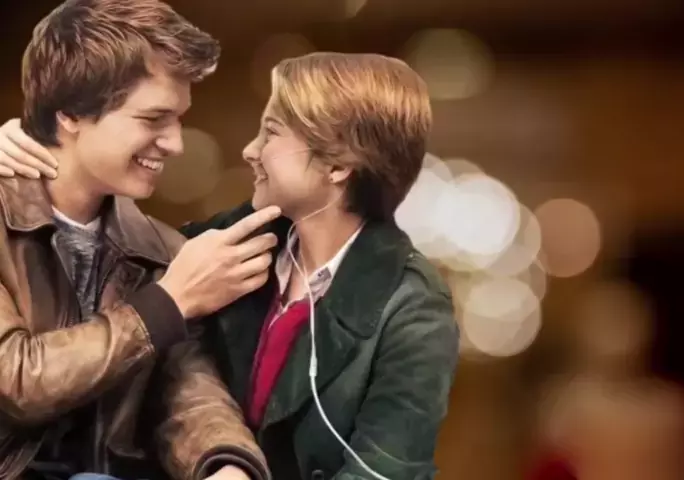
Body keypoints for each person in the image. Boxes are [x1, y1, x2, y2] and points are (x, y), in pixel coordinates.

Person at [0, 52, 460, 480]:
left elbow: (384, 470)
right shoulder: (214, 248)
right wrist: (37, 156)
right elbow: (89, 320)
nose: (250, 150)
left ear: (338, 166)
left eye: (271, 133)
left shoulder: (413, 309)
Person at [0, 1, 279, 479]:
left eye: (179, 119)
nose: (176, 143)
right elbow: (17, 381)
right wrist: (167, 303)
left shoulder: (160, 250)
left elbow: (188, 396)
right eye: (153, 119)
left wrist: (228, 464)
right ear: (71, 112)